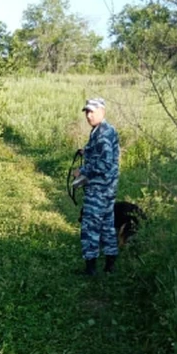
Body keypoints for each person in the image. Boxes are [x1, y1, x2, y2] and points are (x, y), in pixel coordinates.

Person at [72, 97, 121, 275]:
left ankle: (90, 268)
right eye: (87, 112)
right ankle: (110, 266)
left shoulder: (103, 133)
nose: (89, 115)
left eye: (92, 111)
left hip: (99, 190)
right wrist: (87, 151)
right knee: (107, 226)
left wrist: (83, 172)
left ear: (102, 111)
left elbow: (104, 164)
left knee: (90, 227)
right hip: (108, 189)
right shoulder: (102, 130)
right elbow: (102, 154)